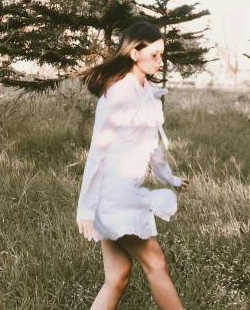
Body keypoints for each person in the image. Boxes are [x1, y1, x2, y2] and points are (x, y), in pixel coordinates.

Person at [76, 22, 191, 310]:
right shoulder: (119, 92)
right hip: (115, 194)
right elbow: (97, 151)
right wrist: (86, 208)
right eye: (154, 54)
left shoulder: (146, 92)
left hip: (124, 190)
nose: (160, 61)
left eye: (162, 55)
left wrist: (170, 179)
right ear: (134, 52)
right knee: (156, 262)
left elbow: (152, 148)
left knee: (117, 277)